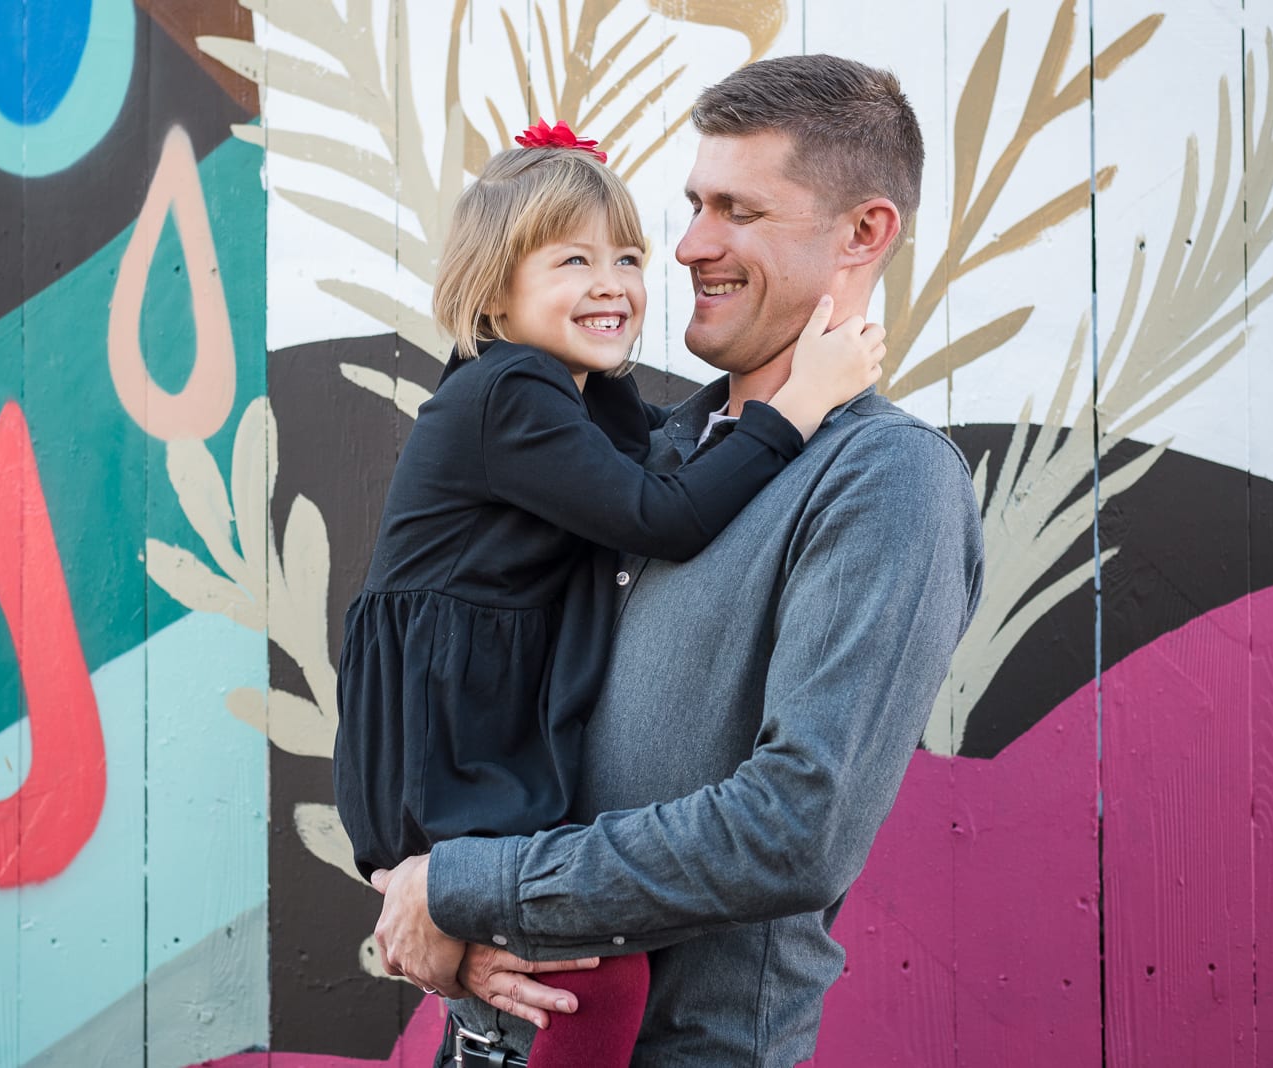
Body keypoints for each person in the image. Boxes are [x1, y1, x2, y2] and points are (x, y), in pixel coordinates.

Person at [370, 55, 985, 1066]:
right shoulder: (634, 456)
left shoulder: (885, 480)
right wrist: (442, 909)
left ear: (864, 233)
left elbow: (795, 828)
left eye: (740, 211)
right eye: (696, 205)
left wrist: (466, 886)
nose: (691, 245)